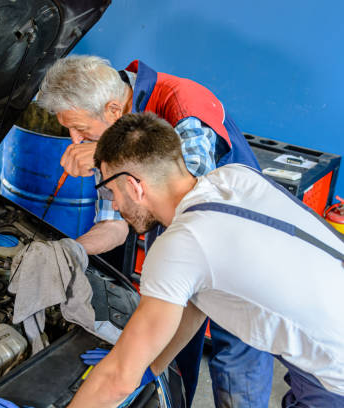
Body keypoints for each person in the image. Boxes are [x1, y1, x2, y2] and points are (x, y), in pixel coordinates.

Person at [66, 112, 344, 408]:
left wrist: (125, 371)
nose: (116, 204)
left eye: (111, 191)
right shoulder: (235, 176)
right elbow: (196, 302)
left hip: (334, 377)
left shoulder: (181, 245)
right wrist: (149, 365)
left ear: (135, 187)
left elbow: (118, 380)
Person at [35, 55, 269, 407]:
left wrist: (103, 152)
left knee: (236, 366)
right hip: (189, 243)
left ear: (114, 109)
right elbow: (114, 225)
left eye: (81, 130)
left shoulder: (183, 106)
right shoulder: (112, 138)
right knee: (174, 352)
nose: (74, 140)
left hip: (244, 250)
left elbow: (187, 196)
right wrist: (70, 251)